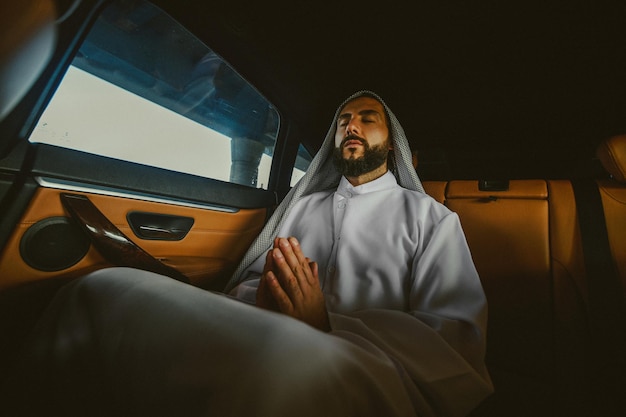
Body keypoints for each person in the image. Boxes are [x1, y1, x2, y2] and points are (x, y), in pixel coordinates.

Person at [2, 91, 492, 417]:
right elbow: (250, 281)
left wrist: (327, 322)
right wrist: (269, 297)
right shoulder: (304, 207)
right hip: (268, 327)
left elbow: (454, 340)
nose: (351, 125)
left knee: (288, 366)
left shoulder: (430, 218)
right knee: (100, 288)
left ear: (395, 143)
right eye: (343, 120)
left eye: (367, 118)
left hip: (374, 364)